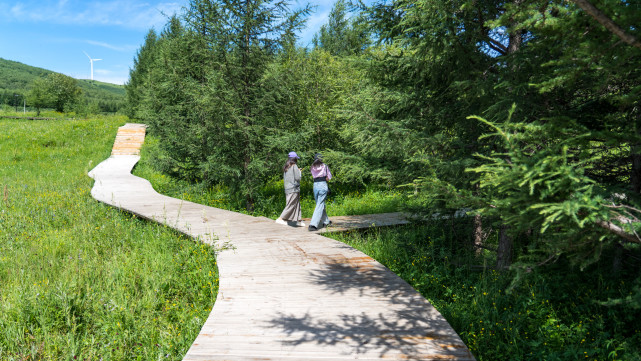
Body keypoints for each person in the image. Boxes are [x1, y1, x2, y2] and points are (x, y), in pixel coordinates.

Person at [276, 151, 305, 227]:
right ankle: (281, 218)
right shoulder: (294, 166)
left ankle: (299, 220)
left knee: (297, 204)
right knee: (291, 205)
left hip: (288, 189)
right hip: (293, 189)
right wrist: (299, 172)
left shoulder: (287, 166)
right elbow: (297, 178)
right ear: (295, 159)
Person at [308, 153, 332, 231]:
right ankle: (313, 225)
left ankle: (326, 221)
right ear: (321, 159)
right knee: (320, 204)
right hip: (322, 185)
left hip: (315, 185)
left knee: (320, 203)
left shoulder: (312, 167)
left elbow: (313, 176)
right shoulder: (325, 166)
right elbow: (329, 178)